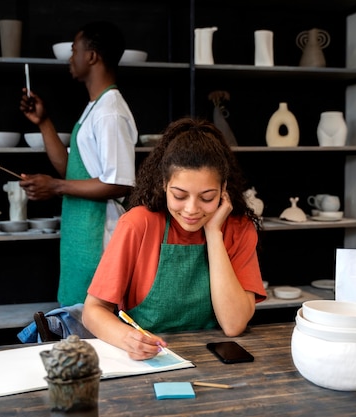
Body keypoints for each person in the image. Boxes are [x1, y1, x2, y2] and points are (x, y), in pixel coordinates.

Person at [82, 118, 267, 360]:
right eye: (179, 195)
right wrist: (128, 339)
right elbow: (92, 311)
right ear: (164, 185)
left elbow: (233, 325)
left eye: (207, 197)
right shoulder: (139, 224)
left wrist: (214, 233)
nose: (191, 209)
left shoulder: (239, 229)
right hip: (150, 359)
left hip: (215, 360)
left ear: (224, 190)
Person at [18, 21, 138, 308]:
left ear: (93, 56)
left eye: (75, 50)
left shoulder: (110, 112)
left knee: (95, 317)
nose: (71, 58)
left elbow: (119, 182)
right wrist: (44, 122)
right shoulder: (96, 106)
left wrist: (56, 187)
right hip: (81, 232)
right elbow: (71, 170)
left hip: (98, 235)